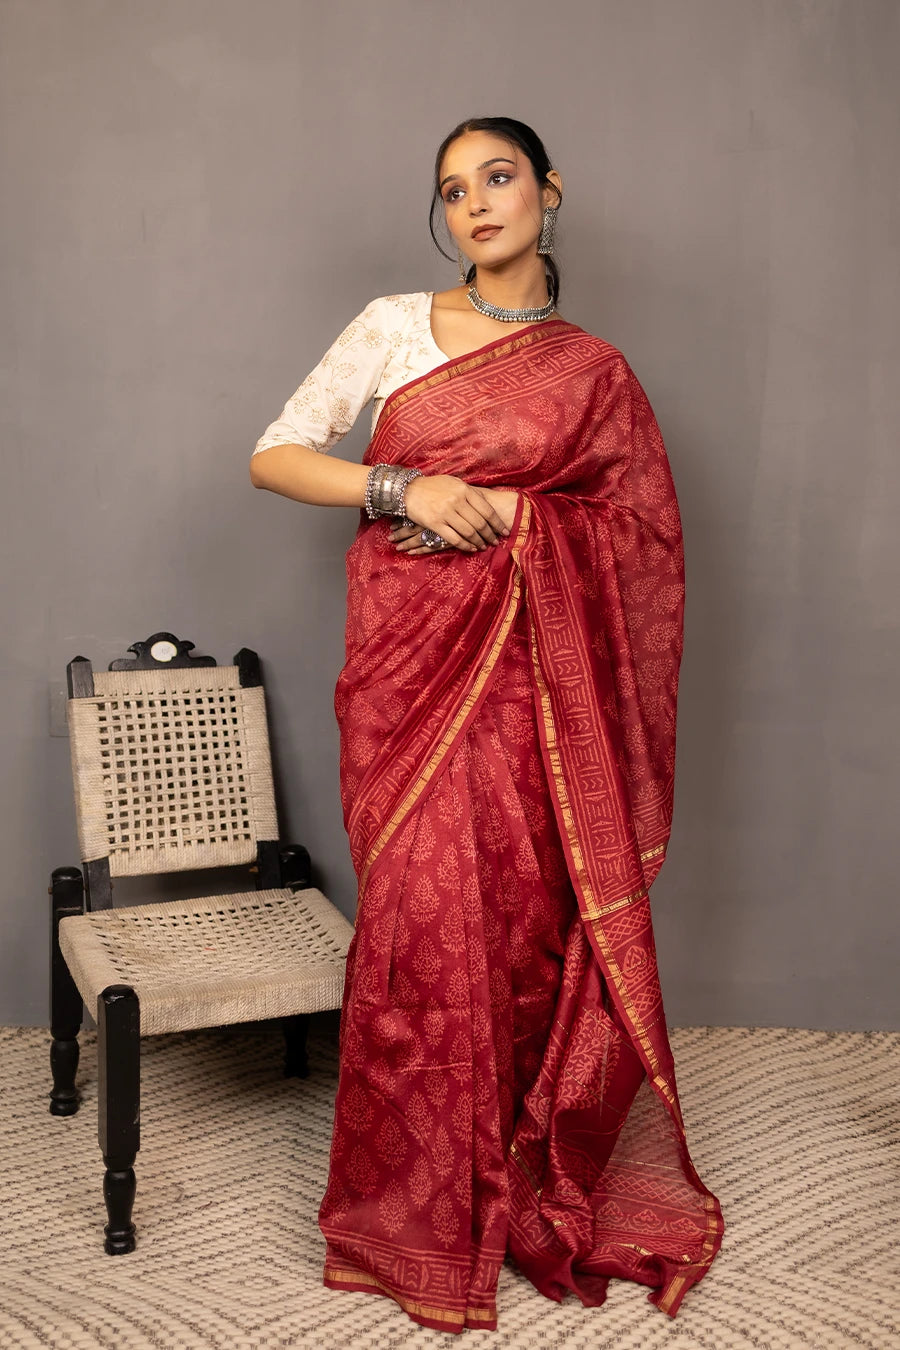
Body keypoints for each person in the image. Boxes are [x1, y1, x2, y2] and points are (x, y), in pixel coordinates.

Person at [250, 115, 723, 1334]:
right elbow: (278, 456)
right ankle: (410, 1201)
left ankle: (511, 1167)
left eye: (498, 178)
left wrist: (520, 520)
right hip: (411, 675)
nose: (475, 205)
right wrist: (407, 485)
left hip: (531, 693)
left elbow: (644, 544)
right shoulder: (393, 325)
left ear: (550, 192)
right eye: (453, 190)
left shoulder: (597, 374)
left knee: (517, 922)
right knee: (420, 916)